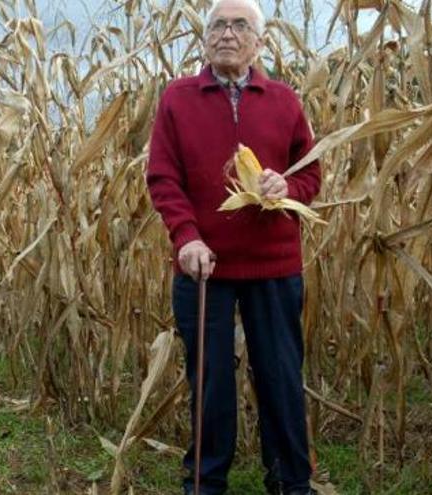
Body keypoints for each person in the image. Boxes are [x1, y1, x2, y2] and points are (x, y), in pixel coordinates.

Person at [145, 0, 322, 493]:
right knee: (211, 381)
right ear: (205, 39)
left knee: (281, 378)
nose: (227, 33)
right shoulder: (178, 99)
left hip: (274, 266)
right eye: (218, 25)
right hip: (205, 267)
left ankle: (291, 481)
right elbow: (162, 176)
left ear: (259, 43)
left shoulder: (284, 101)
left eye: (239, 25)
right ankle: (206, 482)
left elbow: (310, 173)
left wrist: (286, 189)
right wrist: (187, 237)